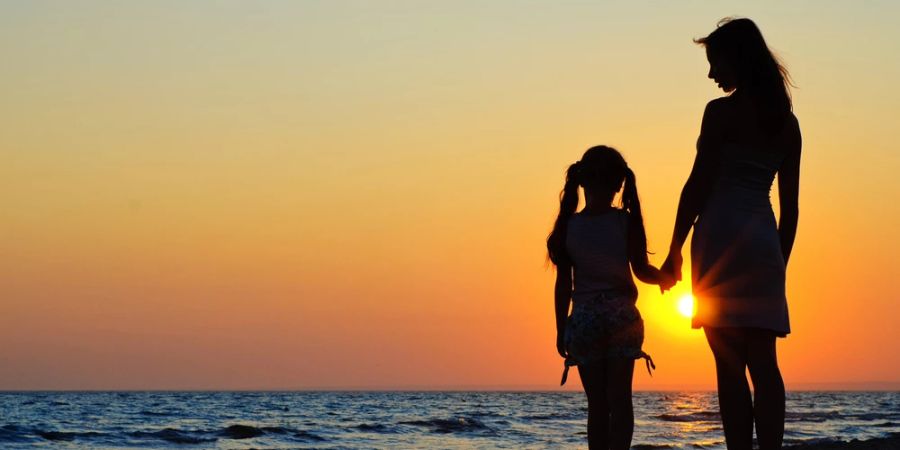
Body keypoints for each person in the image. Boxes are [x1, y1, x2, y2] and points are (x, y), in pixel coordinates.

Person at [661, 18, 802, 450]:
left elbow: (697, 186)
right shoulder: (788, 124)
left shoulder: (719, 114)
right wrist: (779, 263)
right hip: (763, 245)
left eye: (715, 62)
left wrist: (674, 250)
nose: (711, 74)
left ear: (737, 58)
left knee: (729, 367)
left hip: (719, 241)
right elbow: (791, 210)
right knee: (765, 363)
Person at [547, 145, 672, 450]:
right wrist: (664, 278)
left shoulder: (569, 226)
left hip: (585, 319)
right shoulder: (625, 222)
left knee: (598, 408)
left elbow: (564, 284)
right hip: (621, 318)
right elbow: (641, 270)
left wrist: (560, 328)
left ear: (583, 182)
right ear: (619, 185)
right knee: (620, 401)